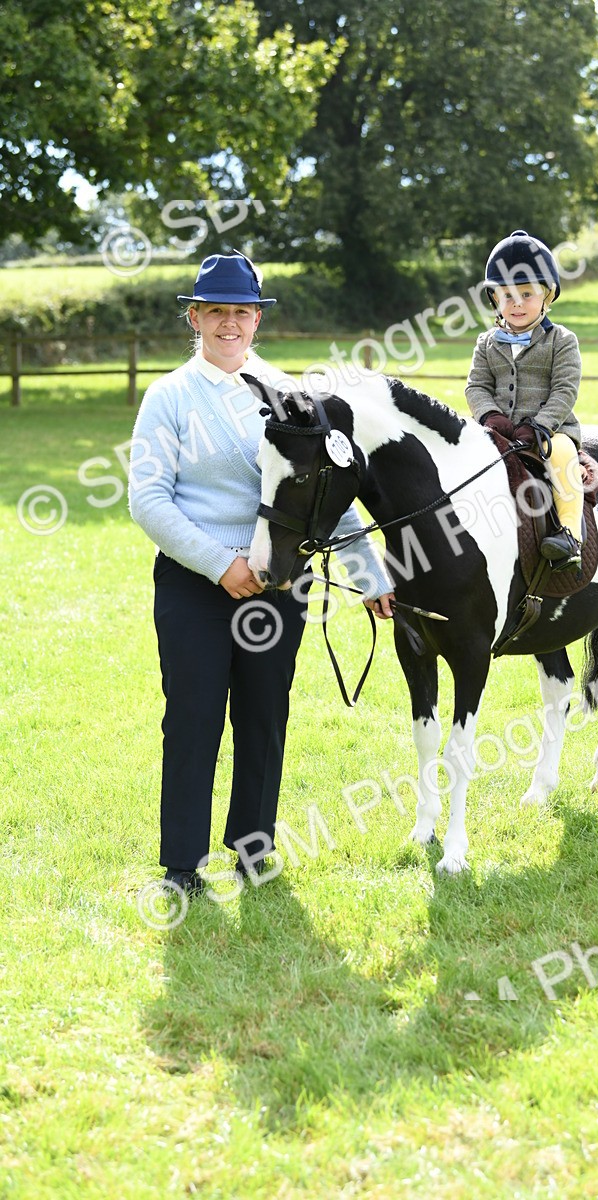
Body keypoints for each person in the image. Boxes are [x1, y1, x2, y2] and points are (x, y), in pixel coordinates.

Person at [128, 251, 394, 897]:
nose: (229, 324)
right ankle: (183, 865)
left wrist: (372, 574)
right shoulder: (168, 397)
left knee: (264, 713)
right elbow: (149, 500)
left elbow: (325, 495)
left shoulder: (291, 396)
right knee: (192, 718)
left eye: (241, 312)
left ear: (257, 320)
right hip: (195, 584)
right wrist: (222, 564)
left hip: (279, 585)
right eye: (216, 311)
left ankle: (253, 848)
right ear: (195, 316)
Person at [465, 228, 584, 571]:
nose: (517, 303)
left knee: (562, 455)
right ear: (495, 299)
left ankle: (569, 535)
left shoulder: (561, 341)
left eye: (527, 294)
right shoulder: (487, 343)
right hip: (496, 430)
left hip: (550, 431)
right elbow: (476, 386)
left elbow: (565, 390)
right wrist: (489, 415)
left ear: (547, 297)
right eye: (507, 295)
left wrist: (540, 426)